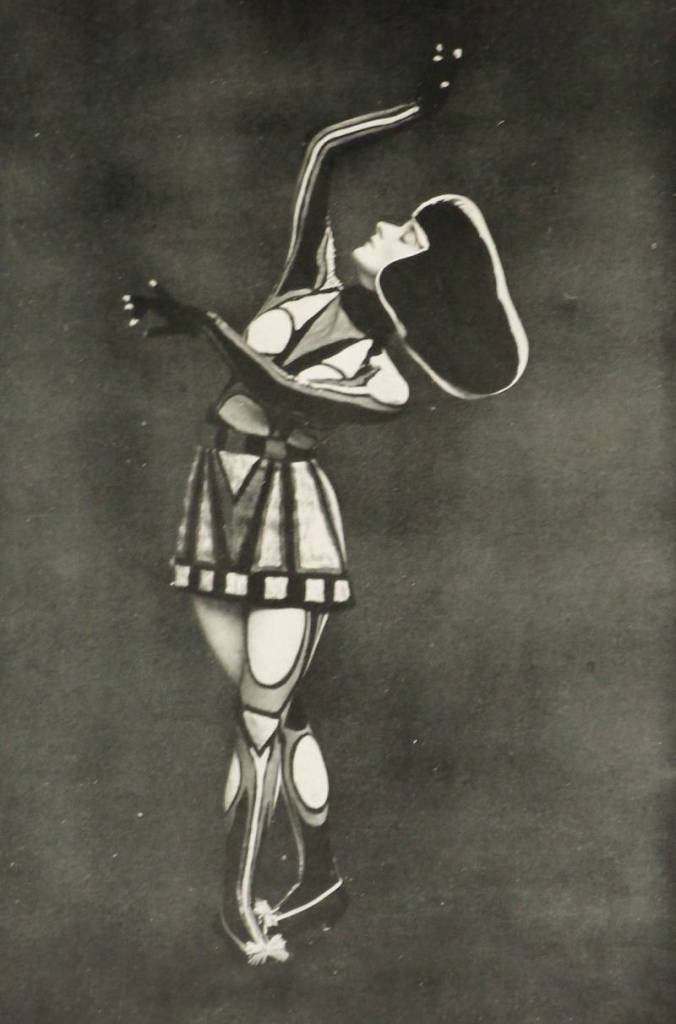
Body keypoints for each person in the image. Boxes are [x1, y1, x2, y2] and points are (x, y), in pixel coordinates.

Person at [123, 44, 528, 966]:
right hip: (213, 495)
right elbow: (323, 154)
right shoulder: (310, 280)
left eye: (406, 239)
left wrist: (206, 324)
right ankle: (325, 876)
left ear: (418, 284)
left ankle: (238, 900)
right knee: (275, 709)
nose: (386, 225)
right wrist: (416, 107)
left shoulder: (386, 382)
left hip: (289, 522)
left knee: (258, 720)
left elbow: (277, 386)